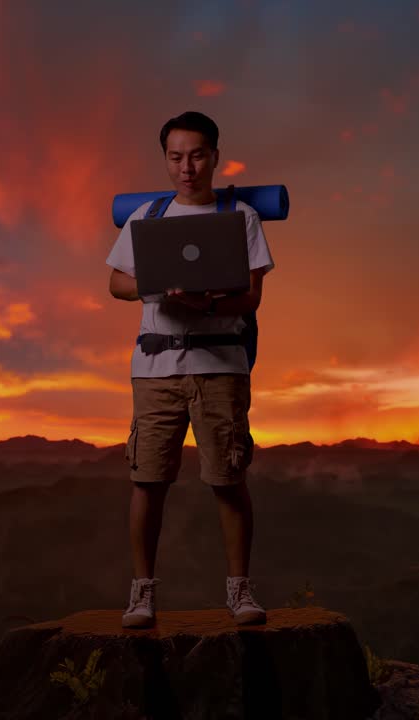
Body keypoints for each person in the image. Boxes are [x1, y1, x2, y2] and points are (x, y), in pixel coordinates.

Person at [105, 111, 275, 629]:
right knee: (147, 480)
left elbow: (252, 296)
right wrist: (155, 288)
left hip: (220, 363)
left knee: (227, 477)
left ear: (215, 156)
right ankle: (142, 594)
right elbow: (116, 283)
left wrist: (203, 303)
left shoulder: (240, 216)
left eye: (197, 155)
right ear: (166, 159)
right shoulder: (147, 218)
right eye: (176, 157)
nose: (187, 167)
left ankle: (239, 591)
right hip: (155, 366)